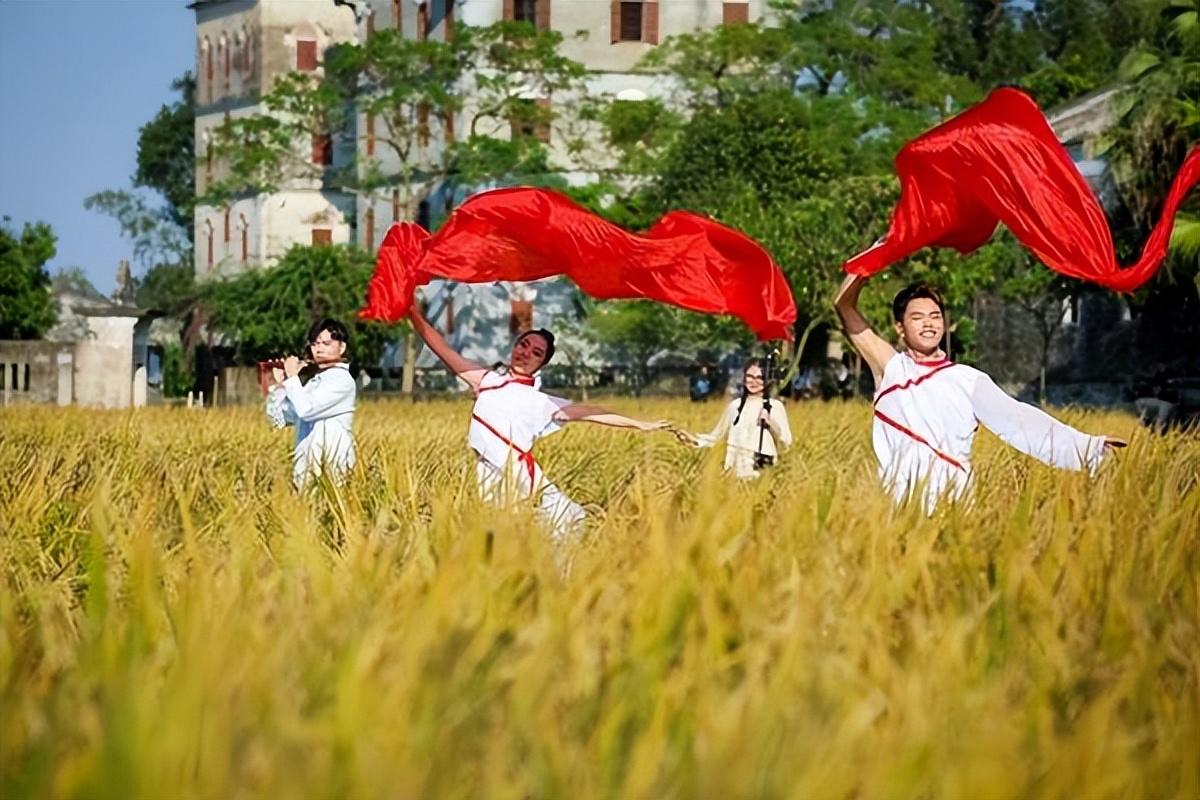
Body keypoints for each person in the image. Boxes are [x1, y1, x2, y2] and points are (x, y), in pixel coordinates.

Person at [833, 275, 1125, 510]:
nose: (929, 323)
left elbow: (1020, 421)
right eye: (918, 317)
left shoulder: (967, 380)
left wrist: (1088, 447)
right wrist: (871, 259)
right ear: (900, 327)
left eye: (935, 316)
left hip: (956, 507)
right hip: (898, 508)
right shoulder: (891, 368)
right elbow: (844, 306)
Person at [407, 299, 670, 540]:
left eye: (536, 353)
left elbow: (591, 412)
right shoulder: (487, 381)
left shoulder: (542, 402)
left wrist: (640, 424)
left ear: (542, 364)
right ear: (514, 346)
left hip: (525, 480)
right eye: (524, 344)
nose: (525, 353)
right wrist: (413, 313)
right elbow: (441, 347)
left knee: (564, 526)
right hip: (490, 478)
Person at [265, 318, 357, 488]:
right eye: (315, 344)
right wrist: (280, 385)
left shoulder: (342, 380)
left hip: (333, 467)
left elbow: (306, 410)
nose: (319, 348)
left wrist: (292, 378)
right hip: (306, 467)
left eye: (326, 343)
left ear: (342, 347)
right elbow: (279, 418)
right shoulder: (313, 383)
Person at [681, 359, 793, 479]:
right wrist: (694, 440)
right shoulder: (735, 406)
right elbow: (717, 437)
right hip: (736, 472)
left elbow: (786, 441)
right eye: (750, 376)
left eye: (759, 377)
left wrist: (770, 423)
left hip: (762, 472)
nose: (753, 382)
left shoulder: (774, 406)